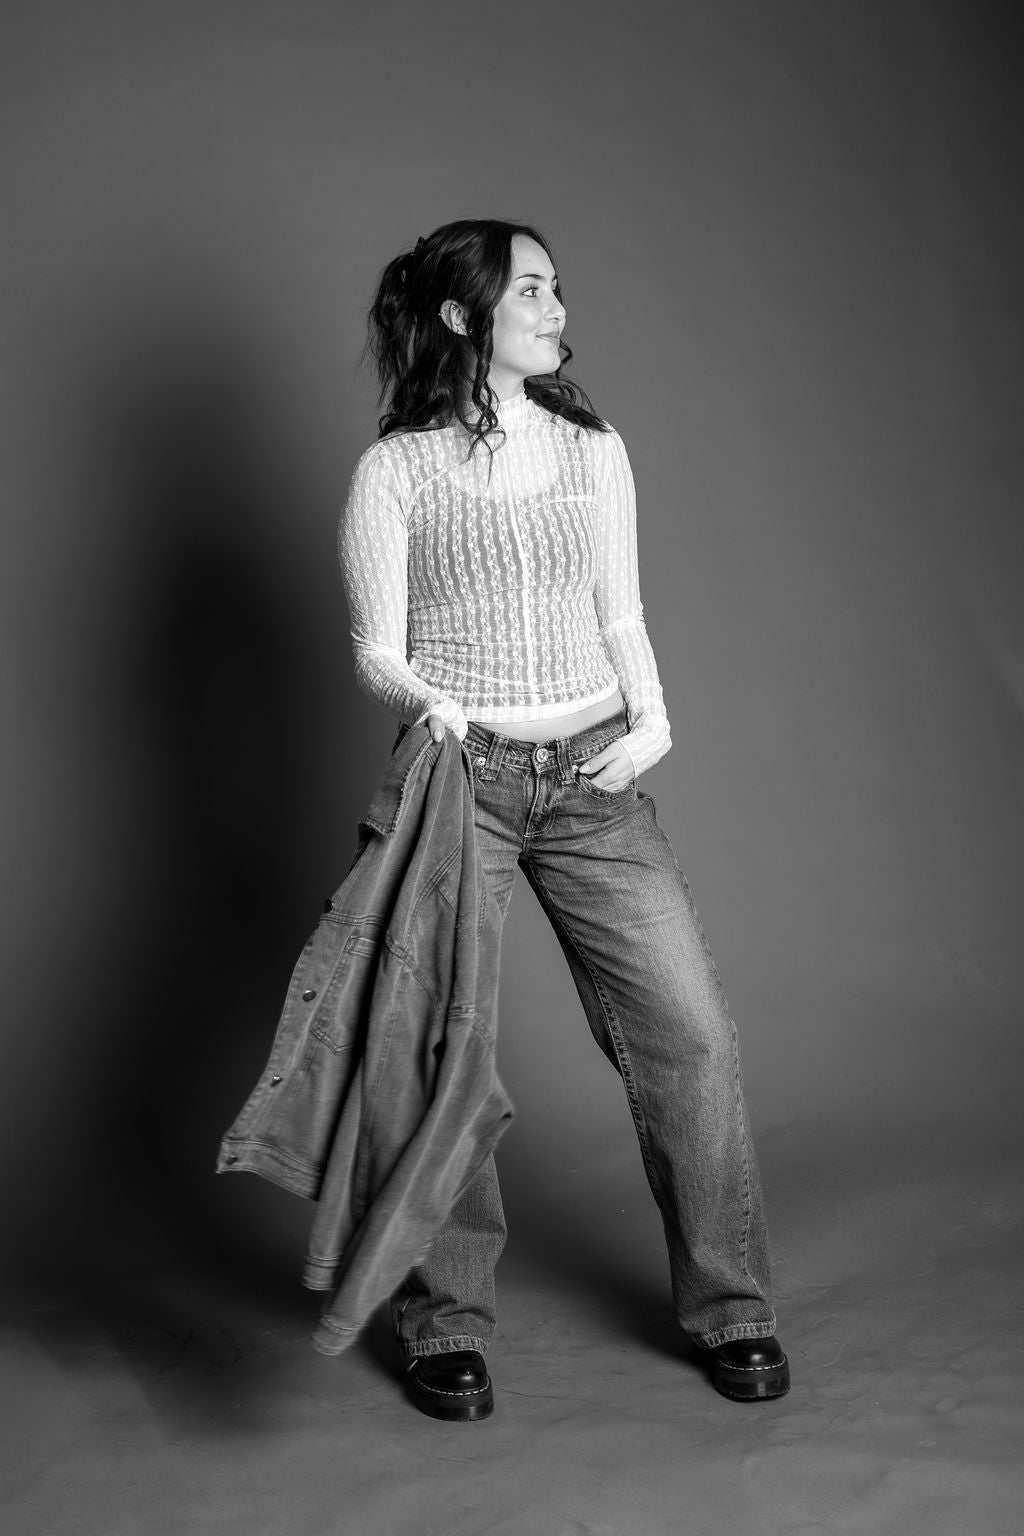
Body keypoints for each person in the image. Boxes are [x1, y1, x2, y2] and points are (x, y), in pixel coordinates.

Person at [338, 218, 789, 1420]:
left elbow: (620, 609)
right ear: (461, 316)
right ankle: (444, 1319)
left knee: (689, 1034)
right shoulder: (398, 472)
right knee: (441, 1052)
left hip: (593, 779)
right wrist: (432, 707)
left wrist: (651, 719)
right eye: (529, 289)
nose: (554, 307)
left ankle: (731, 1302)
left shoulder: (593, 449)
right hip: (461, 783)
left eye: (554, 288)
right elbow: (376, 646)